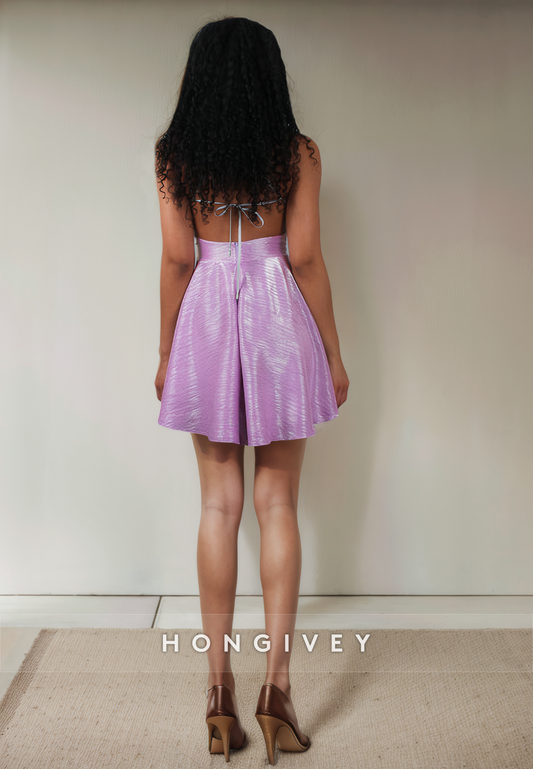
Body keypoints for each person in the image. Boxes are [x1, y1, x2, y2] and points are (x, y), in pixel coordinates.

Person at [154, 16, 349, 764]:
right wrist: (331, 353)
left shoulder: (176, 157)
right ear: (270, 77)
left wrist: (167, 352)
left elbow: (179, 259)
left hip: (205, 320)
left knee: (217, 505)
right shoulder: (297, 154)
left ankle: (217, 694)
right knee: (277, 505)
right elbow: (304, 257)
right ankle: (278, 691)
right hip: (276, 322)